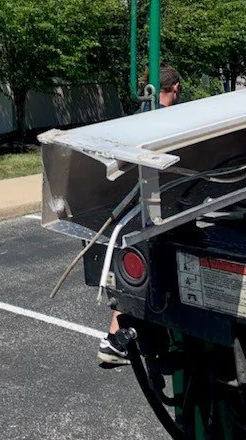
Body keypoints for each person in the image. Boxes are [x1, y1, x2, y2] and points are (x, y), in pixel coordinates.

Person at [97, 66, 182, 367]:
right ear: (176, 88)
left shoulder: (136, 114)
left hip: (126, 208)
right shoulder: (164, 119)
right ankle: (119, 339)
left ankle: (114, 340)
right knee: (149, 277)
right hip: (148, 208)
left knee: (132, 279)